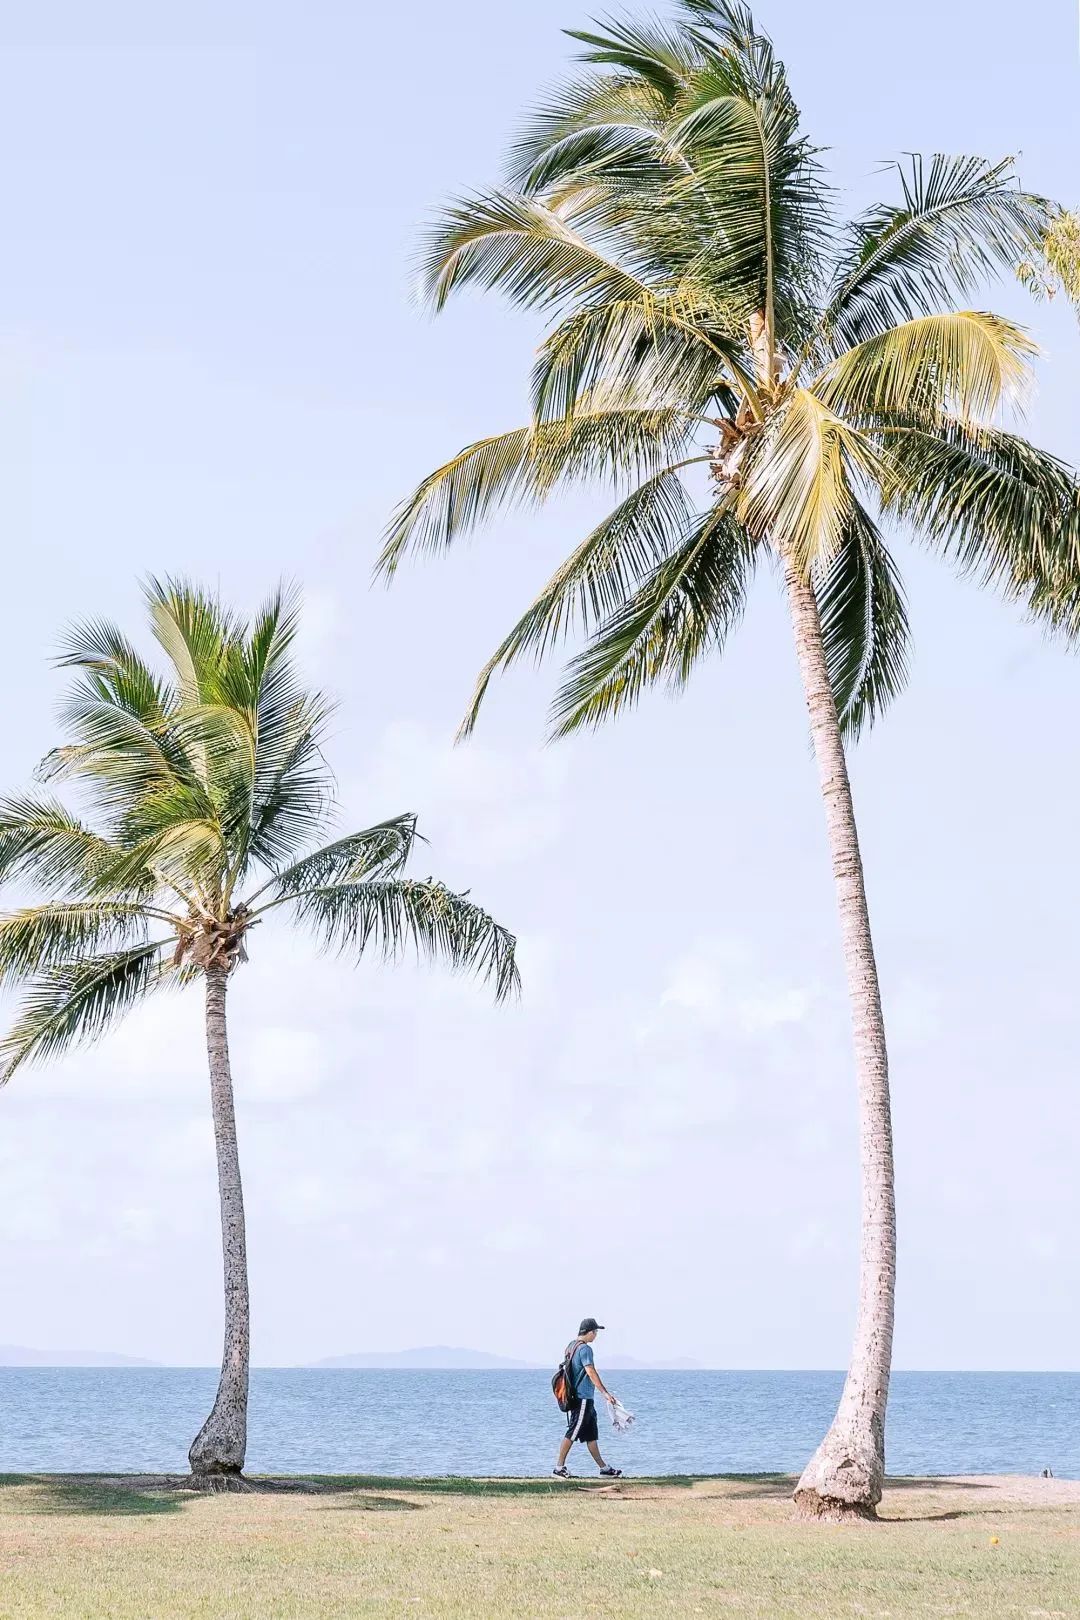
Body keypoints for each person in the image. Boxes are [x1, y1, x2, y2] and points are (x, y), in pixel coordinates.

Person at [553, 1316, 623, 1478]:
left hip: (583, 1399)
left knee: (591, 1434)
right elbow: (590, 1371)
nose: (596, 1335)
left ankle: (604, 1469)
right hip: (582, 1398)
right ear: (590, 1332)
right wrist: (605, 1393)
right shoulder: (585, 1349)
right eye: (596, 1332)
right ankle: (558, 1467)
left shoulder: (571, 1346)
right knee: (572, 1432)